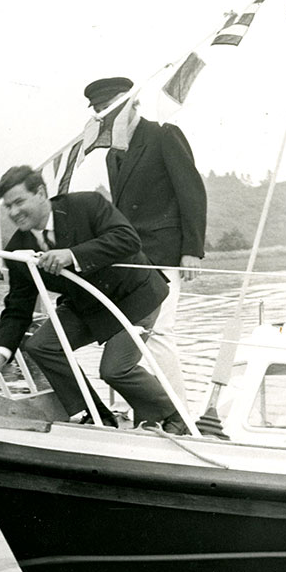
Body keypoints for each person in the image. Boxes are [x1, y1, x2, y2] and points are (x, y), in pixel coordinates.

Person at [0, 165, 186, 432]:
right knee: (41, 345)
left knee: (114, 370)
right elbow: (18, 306)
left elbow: (127, 239)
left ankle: (173, 416)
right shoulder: (18, 249)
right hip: (87, 305)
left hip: (134, 297)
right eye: (8, 206)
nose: (14, 212)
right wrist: (2, 352)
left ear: (41, 193)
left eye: (19, 202)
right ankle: (97, 415)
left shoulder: (87, 205)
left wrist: (72, 254)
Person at [84, 76, 207, 409]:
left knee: (160, 331)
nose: (105, 117)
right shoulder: (113, 155)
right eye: (100, 112)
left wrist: (191, 251)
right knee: (136, 333)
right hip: (133, 258)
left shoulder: (163, 135)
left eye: (111, 109)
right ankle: (148, 409)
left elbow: (192, 193)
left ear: (132, 104)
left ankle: (179, 412)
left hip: (165, 255)